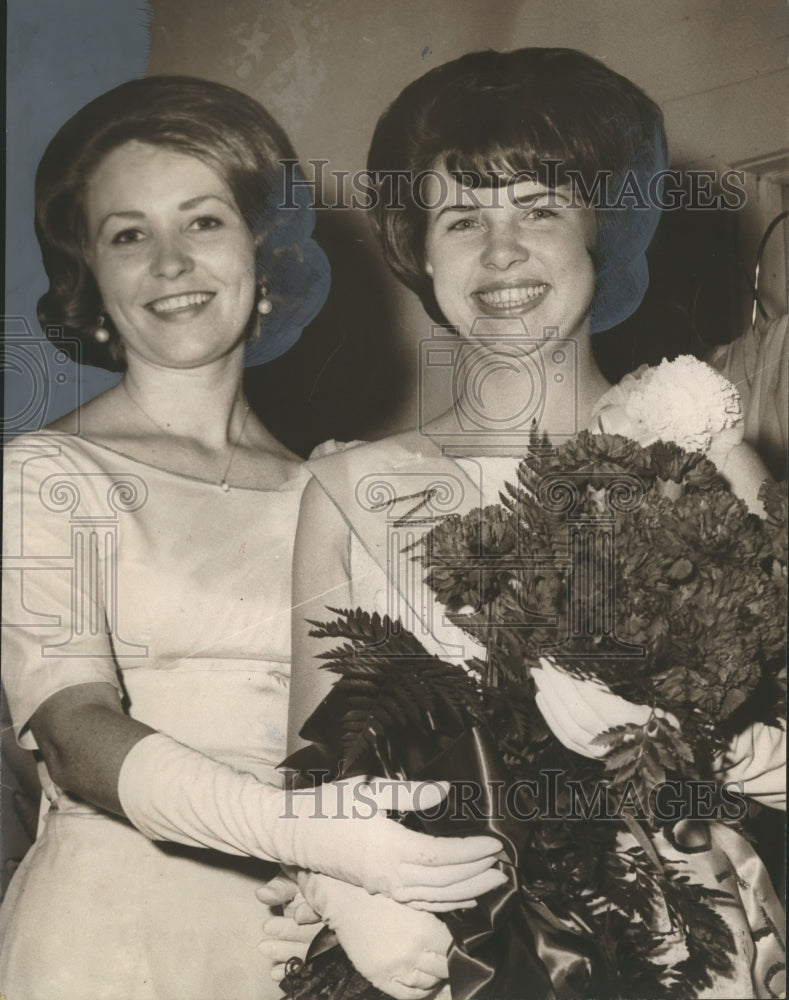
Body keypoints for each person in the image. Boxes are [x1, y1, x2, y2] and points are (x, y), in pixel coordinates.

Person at [284, 49, 786, 999]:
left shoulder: (695, 436)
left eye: (540, 208)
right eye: (462, 218)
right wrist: (351, 896)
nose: (501, 252)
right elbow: (317, 775)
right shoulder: (347, 486)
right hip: (451, 947)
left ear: (605, 229)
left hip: (691, 938)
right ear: (419, 251)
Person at [0, 76, 505, 1000]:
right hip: (108, 943)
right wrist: (305, 831)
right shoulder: (45, 472)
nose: (167, 263)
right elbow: (74, 735)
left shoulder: (338, 485)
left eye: (201, 222)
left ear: (262, 251)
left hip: (304, 943)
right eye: (127, 234)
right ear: (90, 276)